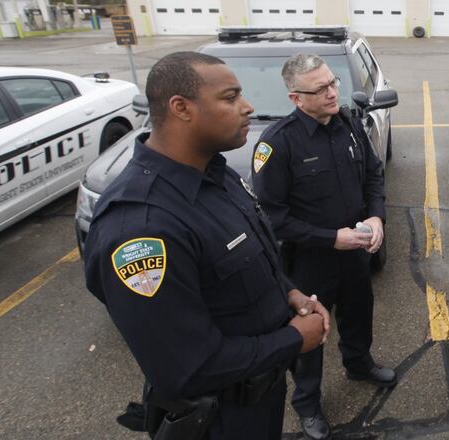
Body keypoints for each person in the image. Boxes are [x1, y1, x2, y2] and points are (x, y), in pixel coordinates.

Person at [83, 52, 329, 440]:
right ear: (181, 108)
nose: (247, 107)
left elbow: (252, 260)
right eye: (230, 98)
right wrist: (295, 338)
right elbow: (186, 367)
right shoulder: (140, 229)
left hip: (260, 394)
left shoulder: (216, 173)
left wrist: (290, 293)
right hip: (217, 419)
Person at [251, 53, 396, 440]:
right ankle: (308, 403)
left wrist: (377, 216)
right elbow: (272, 217)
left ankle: (359, 363)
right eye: (322, 88)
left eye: (333, 83)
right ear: (297, 98)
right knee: (310, 334)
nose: (333, 92)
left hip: (355, 254)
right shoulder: (277, 144)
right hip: (309, 262)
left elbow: (373, 176)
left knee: (358, 312)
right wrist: (332, 237)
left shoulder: (348, 125)